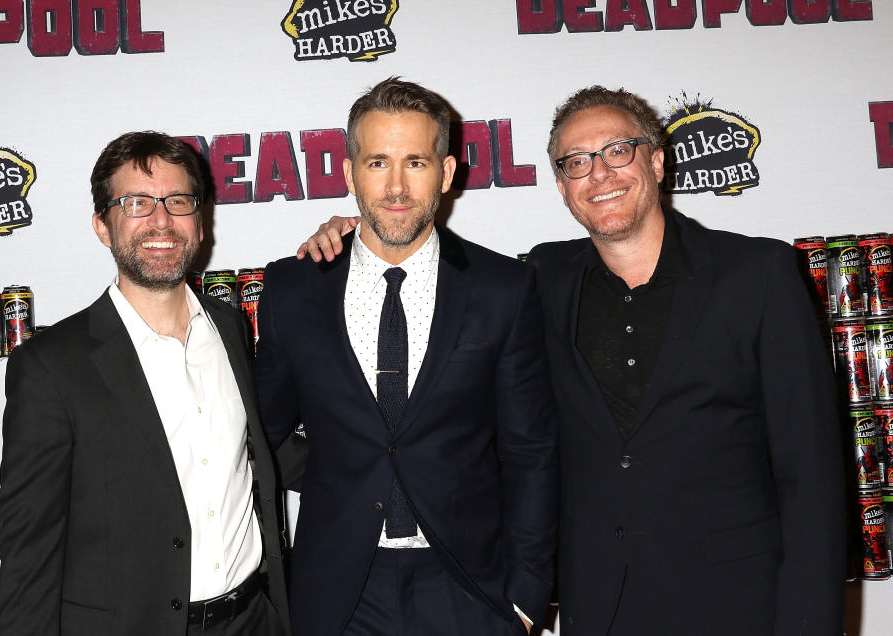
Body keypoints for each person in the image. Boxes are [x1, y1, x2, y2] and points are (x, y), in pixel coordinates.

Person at [298, 86, 846, 635]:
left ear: (656, 161)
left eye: (618, 151)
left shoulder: (758, 274)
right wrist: (349, 238)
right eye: (576, 162)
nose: (599, 174)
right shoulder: (541, 279)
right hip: (599, 605)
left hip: (738, 603)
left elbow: (811, 474)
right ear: (562, 188)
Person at [254, 77, 557, 636]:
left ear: (445, 174)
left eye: (415, 162)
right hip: (339, 589)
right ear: (348, 173)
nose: (395, 186)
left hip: (470, 585)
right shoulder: (293, 288)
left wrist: (529, 593)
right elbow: (259, 432)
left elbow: (530, 450)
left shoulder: (503, 288)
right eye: (377, 162)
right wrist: (336, 471)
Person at [0, 131, 290, 636]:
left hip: (254, 620)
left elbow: (258, 451)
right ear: (103, 227)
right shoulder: (50, 367)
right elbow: (29, 560)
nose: (160, 220)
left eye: (178, 201)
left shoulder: (230, 327)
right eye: (136, 203)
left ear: (200, 223)